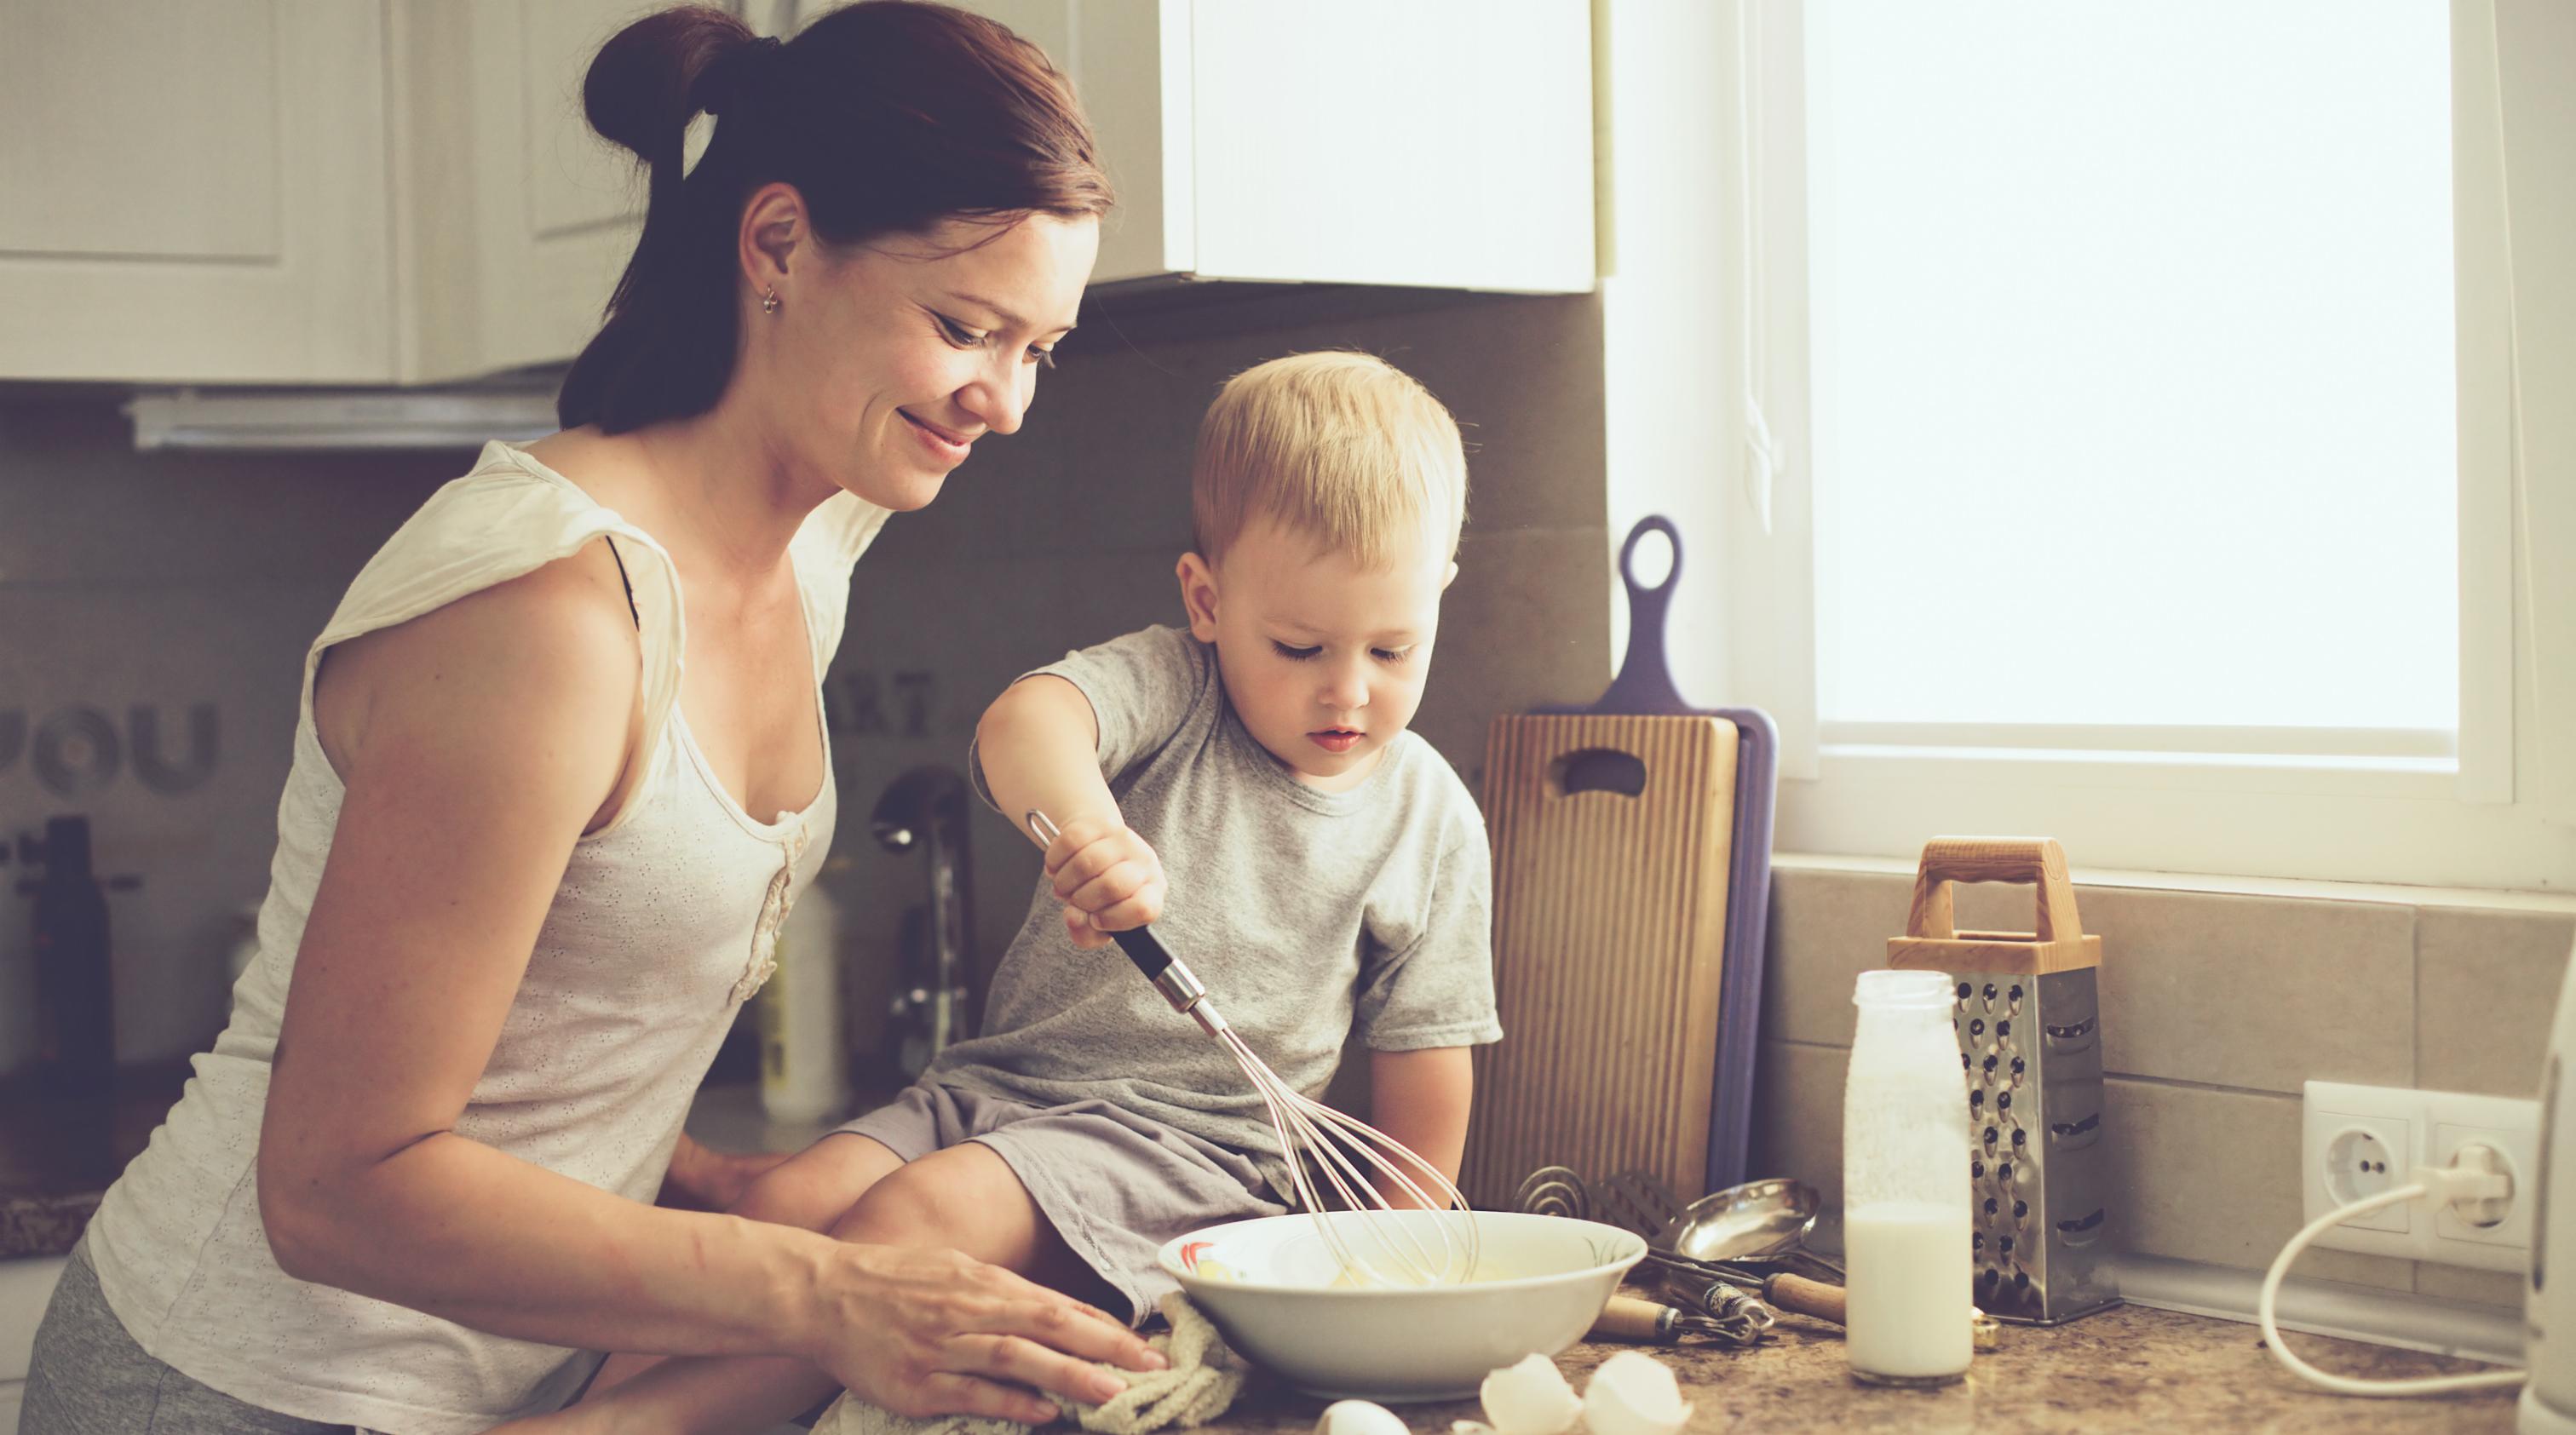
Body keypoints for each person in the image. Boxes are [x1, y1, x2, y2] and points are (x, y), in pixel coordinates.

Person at [20, 5, 1169, 1432]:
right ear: (775, 246)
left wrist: (692, 1177)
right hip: (244, 1391)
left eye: (1039, 348)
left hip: (516, 1381)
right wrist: (824, 1295)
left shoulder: (824, 535)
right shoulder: (547, 616)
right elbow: (333, 1184)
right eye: (962, 327)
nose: (1001, 402)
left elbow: (547, 1014)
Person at [531, 350, 1505, 1435]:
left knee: (921, 1215)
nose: (1349, 688)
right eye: (1299, 644)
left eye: (1393, 646)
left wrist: (1386, 1291)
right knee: (780, 1211)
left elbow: (1420, 1114)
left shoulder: (1432, 819)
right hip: (995, 1090)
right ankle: (599, 1402)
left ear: (1439, 595)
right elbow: (1023, 726)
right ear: (1207, 598)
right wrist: (1090, 826)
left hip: (1188, 1157)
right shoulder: (1174, 690)